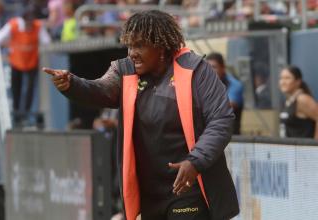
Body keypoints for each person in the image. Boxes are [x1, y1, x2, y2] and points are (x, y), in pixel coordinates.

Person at [43, 10, 239, 220]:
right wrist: (72, 84)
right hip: (149, 193)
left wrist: (195, 161)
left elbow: (221, 120)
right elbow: (101, 90)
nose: (132, 53)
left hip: (189, 188)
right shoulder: (124, 70)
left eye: (139, 45)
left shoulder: (196, 69)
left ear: (161, 46)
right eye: (129, 45)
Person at [0, 5, 51, 126]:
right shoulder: (13, 25)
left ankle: (25, 114)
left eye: (31, 19)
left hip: (32, 62)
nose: (29, 22)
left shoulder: (38, 26)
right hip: (16, 62)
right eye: (27, 19)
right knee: (16, 88)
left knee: (30, 89)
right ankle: (16, 114)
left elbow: (47, 41)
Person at [206, 52, 244, 135]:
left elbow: (226, 106)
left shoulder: (235, 85)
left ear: (223, 68)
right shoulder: (205, 85)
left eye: (214, 67)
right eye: (208, 68)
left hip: (232, 137)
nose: (210, 71)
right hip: (210, 135)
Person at [279, 66, 318, 140]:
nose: (283, 82)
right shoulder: (287, 101)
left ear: (298, 81)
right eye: (281, 78)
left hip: (304, 149)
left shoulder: (302, 99)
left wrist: (315, 145)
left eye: (287, 78)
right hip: (290, 149)